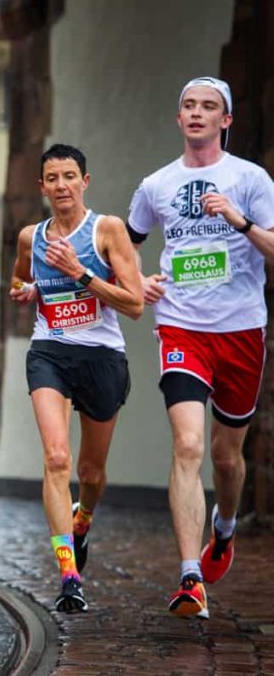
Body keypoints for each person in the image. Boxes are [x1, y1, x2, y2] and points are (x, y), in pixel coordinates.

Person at [126, 77, 274, 619]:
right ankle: (191, 577)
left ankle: (225, 528)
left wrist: (239, 220)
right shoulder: (156, 185)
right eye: (188, 105)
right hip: (181, 327)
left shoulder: (251, 179)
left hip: (240, 331)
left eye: (208, 107)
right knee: (188, 446)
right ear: (179, 116)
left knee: (225, 457)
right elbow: (125, 246)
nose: (196, 114)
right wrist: (137, 281)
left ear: (225, 121)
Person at [9, 143, 143, 613]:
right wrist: (25, 291)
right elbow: (17, 282)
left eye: (70, 176)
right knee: (56, 456)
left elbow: (134, 304)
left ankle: (83, 517)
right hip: (50, 351)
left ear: (85, 181)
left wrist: (81, 273)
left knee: (90, 472)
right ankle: (68, 573)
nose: (62, 185)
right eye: (53, 178)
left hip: (102, 356)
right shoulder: (31, 237)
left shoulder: (107, 230)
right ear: (41, 185)